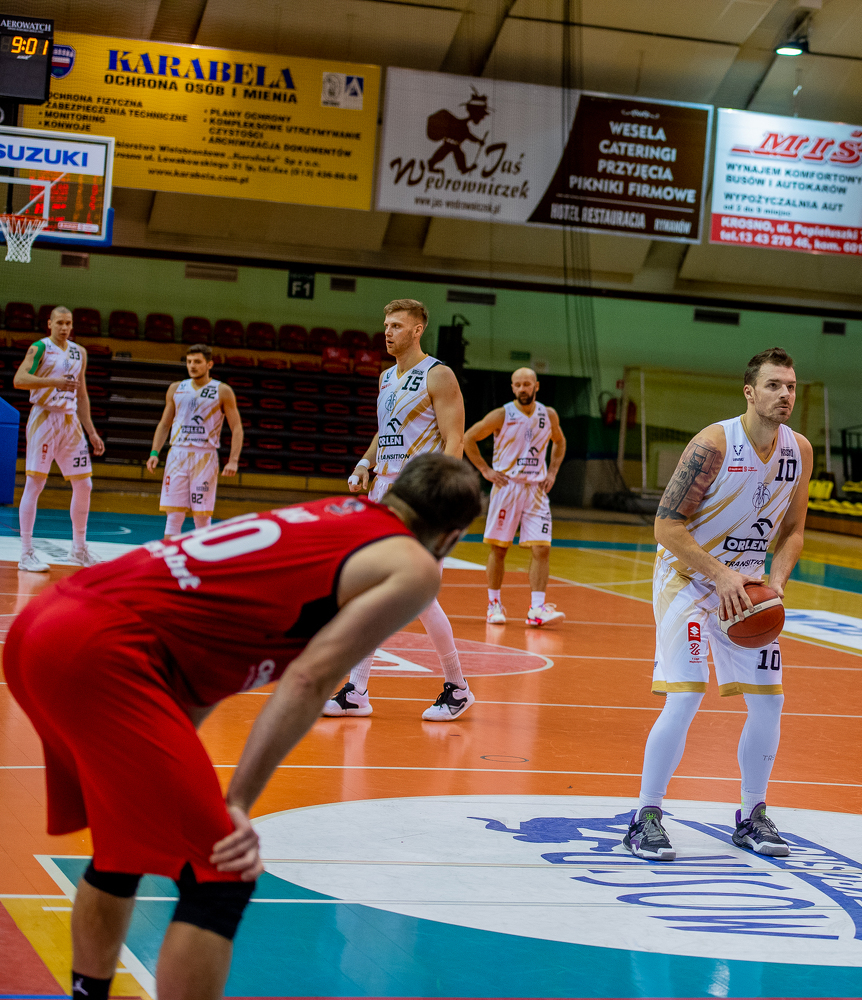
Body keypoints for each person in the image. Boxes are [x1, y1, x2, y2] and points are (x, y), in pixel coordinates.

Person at [3, 454, 483, 1000]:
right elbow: (309, 677)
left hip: (49, 623)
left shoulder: (335, 513)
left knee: (123, 849)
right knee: (222, 870)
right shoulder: (415, 564)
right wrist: (237, 802)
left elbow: (199, 665)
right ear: (451, 534)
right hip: (104, 651)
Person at [624, 347, 813, 861]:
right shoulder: (713, 444)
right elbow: (666, 527)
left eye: (791, 386)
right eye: (773, 385)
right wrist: (720, 574)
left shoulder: (799, 450)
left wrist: (777, 580)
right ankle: (645, 817)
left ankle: (753, 815)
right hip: (689, 579)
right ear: (749, 392)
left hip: (746, 591)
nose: (785, 395)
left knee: (769, 701)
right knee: (686, 696)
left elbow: (794, 529)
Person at [324, 299, 474, 722]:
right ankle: (358, 691)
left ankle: (458, 687)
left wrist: (440, 497)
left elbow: (455, 440)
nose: (387, 332)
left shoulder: (438, 375)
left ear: (417, 330)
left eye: (396, 326)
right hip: (385, 493)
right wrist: (363, 463)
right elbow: (385, 432)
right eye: (386, 324)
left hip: (420, 496)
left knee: (417, 595)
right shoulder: (386, 377)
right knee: (375, 590)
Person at [462, 367, 567, 626]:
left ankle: (537, 609)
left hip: (536, 490)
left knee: (542, 549)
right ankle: (494, 605)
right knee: (499, 549)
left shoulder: (548, 414)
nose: (522, 389)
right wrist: (485, 470)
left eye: (527, 384)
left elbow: (560, 441)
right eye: (517, 384)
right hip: (507, 488)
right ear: (512, 388)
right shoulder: (502, 414)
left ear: (536, 386)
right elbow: (469, 438)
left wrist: (553, 471)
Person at [12, 306, 106, 572]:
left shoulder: (79, 352)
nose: (65, 328)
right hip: (44, 417)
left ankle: (78, 550)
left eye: (68, 323)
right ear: (49, 324)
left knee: (84, 484)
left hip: (70, 420)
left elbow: (82, 394)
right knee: (36, 483)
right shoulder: (39, 347)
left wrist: (91, 431)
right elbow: (19, 379)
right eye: (60, 323)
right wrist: (53, 381)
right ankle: (26, 553)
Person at [145, 344, 245, 538]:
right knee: (173, 515)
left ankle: (203, 555)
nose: (192, 365)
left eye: (197, 362)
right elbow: (164, 424)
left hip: (205, 456)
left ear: (209, 364)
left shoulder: (222, 390)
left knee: (202, 516)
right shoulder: (176, 388)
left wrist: (233, 460)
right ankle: (170, 556)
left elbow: (237, 428)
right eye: (189, 361)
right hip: (177, 454)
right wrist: (154, 452)